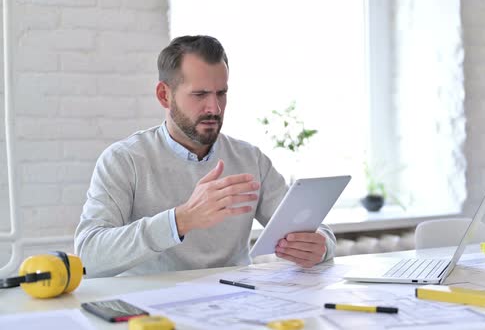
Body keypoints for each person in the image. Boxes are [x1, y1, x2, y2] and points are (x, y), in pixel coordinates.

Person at [74, 35, 336, 278]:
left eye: (221, 93)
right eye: (199, 95)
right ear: (164, 95)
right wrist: (181, 220)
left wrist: (321, 246)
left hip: (234, 305)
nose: (215, 108)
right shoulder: (124, 160)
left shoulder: (250, 158)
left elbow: (312, 228)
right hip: (152, 313)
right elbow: (89, 256)